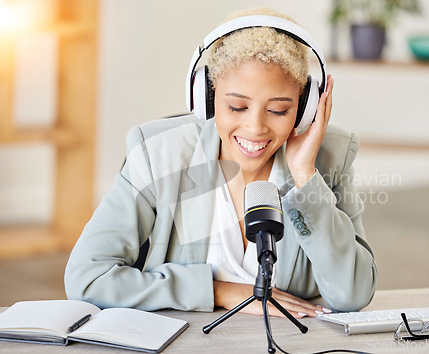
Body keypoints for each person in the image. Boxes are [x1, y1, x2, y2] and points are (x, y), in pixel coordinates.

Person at [64, 7, 377, 318]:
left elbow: (351, 295)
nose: (256, 127)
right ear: (208, 98)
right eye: (237, 106)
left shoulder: (329, 158)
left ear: (305, 108)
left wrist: (305, 176)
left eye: (279, 110)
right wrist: (218, 291)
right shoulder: (158, 154)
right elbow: (87, 278)